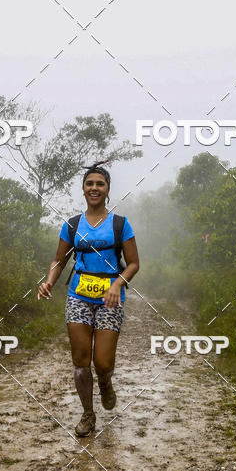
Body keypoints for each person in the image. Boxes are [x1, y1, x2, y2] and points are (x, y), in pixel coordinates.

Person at [37, 162, 140, 436]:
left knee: (103, 363)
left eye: (100, 184)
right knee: (81, 361)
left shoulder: (120, 224)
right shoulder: (72, 225)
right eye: (89, 184)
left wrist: (118, 283)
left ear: (107, 190)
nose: (94, 188)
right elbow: (58, 261)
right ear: (83, 189)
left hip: (110, 299)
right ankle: (88, 415)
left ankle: (105, 382)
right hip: (78, 297)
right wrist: (48, 282)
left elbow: (133, 264)